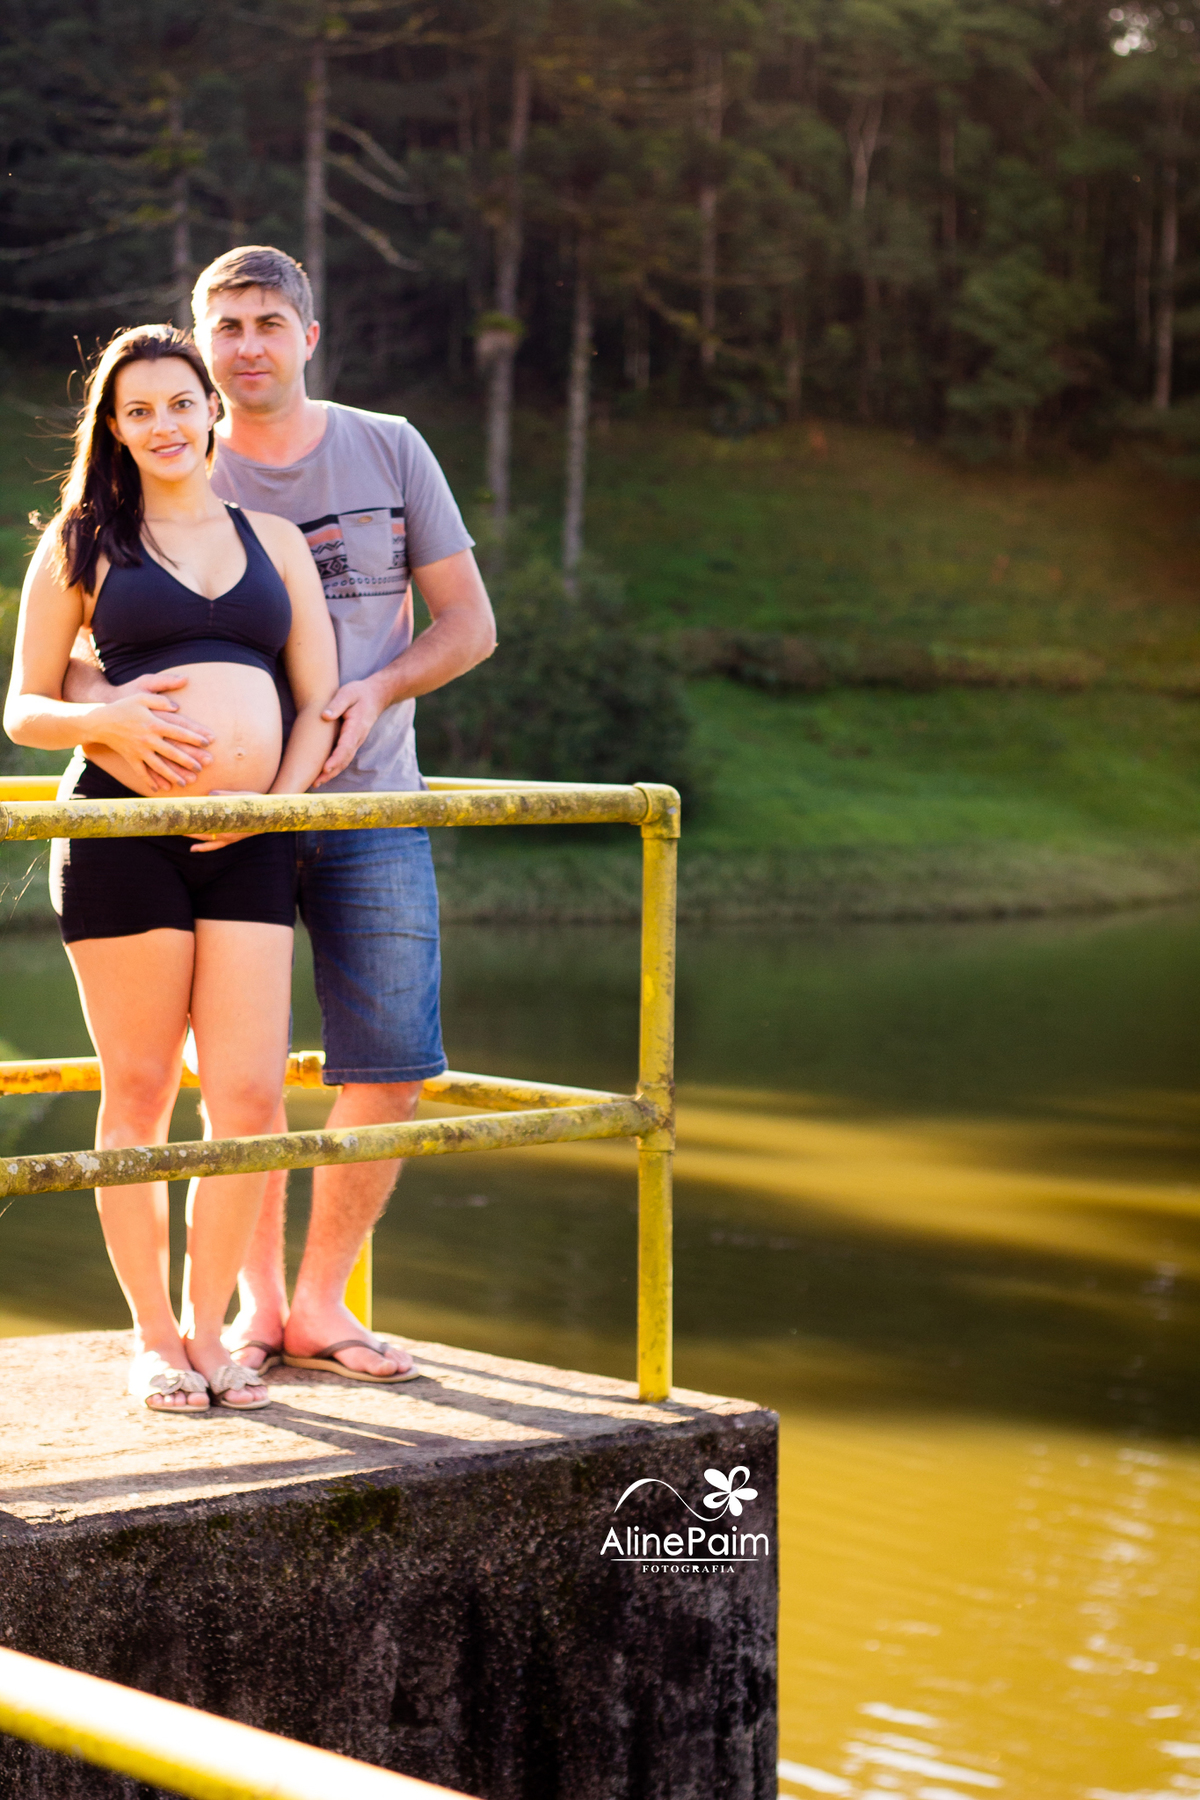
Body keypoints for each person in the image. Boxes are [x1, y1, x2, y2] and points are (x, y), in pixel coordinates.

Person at [66, 246, 497, 1383]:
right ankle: (243, 1316)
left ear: (307, 336)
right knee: (224, 1080)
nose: (247, 343)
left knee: (390, 1059)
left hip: (364, 801)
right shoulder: (168, 469)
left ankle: (319, 1303)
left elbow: (467, 623)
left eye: (268, 322)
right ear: (199, 352)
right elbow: (73, 653)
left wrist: (375, 687)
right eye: (226, 326)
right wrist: (123, 715)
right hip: (193, 825)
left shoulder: (387, 447)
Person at [3, 324, 341, 1412]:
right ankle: (154, 1339)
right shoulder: (80, 541)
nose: (161, 425)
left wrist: (267, 809)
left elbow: (319, 700)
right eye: (136, 408)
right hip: (117, 839)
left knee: (247, 1095)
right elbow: (24, 707)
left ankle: (213, 1333)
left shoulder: (276, 541)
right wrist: (106, 720)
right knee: (142, 1093)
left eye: (179, 403)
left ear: (211, 411)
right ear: (114, 424)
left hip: (252, 841)